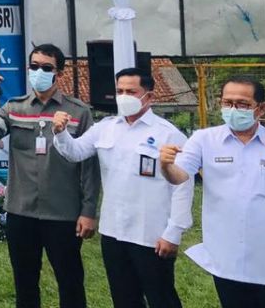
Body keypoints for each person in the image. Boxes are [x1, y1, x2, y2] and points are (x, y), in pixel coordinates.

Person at [160, 75, 265, 308]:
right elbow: (180, 175)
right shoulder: (204, 140)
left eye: (242, 104)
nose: (233, 109)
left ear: (262, 109)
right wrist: (166, 165)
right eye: (227, 103)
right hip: (229, 260)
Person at [51, 67, 192, 308]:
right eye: (119, 91)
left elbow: (183, 185)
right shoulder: (106, 127)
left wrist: (174, 232)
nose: (124, 96)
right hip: (114, 231)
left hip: (151, 233)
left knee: (162, 298)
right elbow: (75, 153)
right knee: (124, 298)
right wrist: (60, 133)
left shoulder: (168, 134)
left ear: (149, 96)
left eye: (131, 91)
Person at [0, 43, 100, 308]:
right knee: (25, 282)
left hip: (63, 212)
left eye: (46, 68)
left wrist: (88, 210)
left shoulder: (79, 112)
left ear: (60, 73)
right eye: (34, 66)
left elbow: (89, 165)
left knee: (70, 282)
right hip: (22, 211)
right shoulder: (14, 107)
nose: (39, 72)